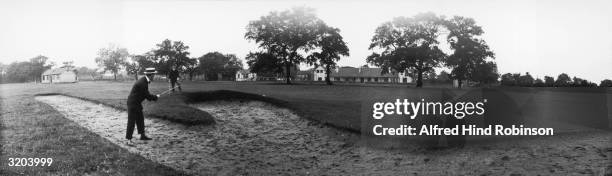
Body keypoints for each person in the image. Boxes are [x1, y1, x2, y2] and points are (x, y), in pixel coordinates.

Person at [126, 67, 159, 142]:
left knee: (140, 119)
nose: (154, 76)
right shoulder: (142, 83)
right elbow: (147, 96)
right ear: (150, 75)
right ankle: (128, 140)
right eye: (154, 75)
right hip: (133, 103)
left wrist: (154, 97)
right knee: (131, 121)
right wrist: (155, 97)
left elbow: (145, 94)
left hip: (137, 103)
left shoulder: (144, 80)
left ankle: (142, 136)